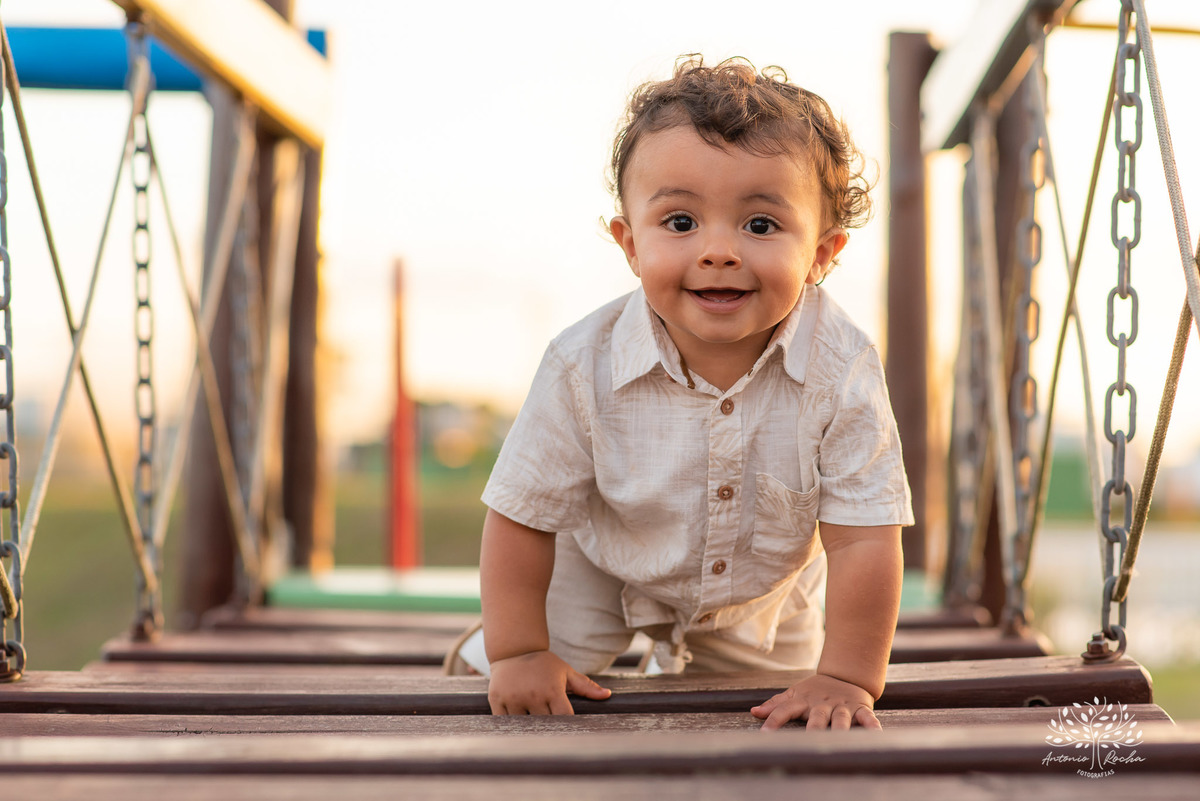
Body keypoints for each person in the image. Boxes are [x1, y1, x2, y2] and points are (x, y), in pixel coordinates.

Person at [475, 55, 913, 730]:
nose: (718, 251)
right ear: (629, 242)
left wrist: (846, 675)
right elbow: (521, 514)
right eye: (680, 223)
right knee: (522, 679)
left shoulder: (842, 367)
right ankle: (483, 652)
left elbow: (864, 538)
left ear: (823, 253)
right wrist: (518, 650)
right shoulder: (579, 362)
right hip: (604, 564)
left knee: (772, 709)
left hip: (762, 594)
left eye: (760, 225)